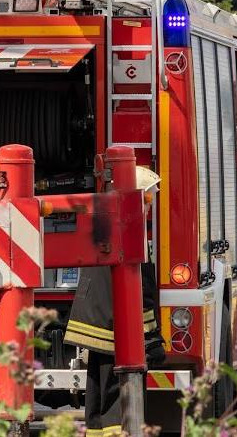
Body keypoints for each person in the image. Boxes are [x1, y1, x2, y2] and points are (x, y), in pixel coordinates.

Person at [65, 166, 166, 436]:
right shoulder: (130, 231)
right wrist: (153, 338)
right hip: (112, 327)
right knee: (114, 390)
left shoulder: (106, 223)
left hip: (96, 321)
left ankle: (97, 432)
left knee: (97, 386)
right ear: (136, 197)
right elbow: (140, 290)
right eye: (148, 199)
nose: (150, 206)